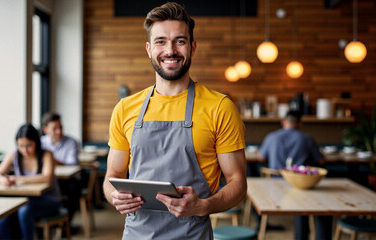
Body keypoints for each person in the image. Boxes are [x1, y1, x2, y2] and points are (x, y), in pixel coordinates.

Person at [102, 2, 247, 239]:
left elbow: (238, 184)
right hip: (136, 234)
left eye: (180, 41)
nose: (170, 50)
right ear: (149, 49)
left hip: (192, 234)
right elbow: (112, 175)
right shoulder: (125, 108)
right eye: (161, 41)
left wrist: (203, 206)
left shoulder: (220, 107)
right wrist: (114, 196)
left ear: (193, 46)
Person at [258, 110, 331, 240]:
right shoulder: (306, 138)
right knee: (308, 195)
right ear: (300, 124)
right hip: (300, 188)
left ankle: (260, 224)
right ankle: (303, 233)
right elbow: (321, 160)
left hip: (272, 189)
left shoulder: (271, 137)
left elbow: (260, 157)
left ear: (283, 122)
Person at [0, 123, 61, 240]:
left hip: (49, 200)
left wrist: (17, 179)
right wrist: (4, 180)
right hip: (24, 200)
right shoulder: (14, 155)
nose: (24, 150)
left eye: (29, 145)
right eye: (20, 146)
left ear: (36, 142)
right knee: (3, 215)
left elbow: (47, 178)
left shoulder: (46, 154)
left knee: (24, 211)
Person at [40, 112, 81, 230]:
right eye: (54, 129)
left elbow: (72, 165)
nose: (59, 131)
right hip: (49, 180)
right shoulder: (41, 143)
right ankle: (52, 223)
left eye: (60, 127)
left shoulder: (71, 142)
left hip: (68, 181)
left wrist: (51, 160)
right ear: (45, 129)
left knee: (74, 188)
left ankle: (65, 224)